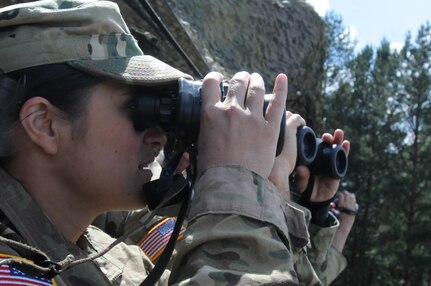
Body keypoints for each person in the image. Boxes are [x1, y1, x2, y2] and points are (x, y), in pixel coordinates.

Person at [0, 1, 350, 285]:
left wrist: (272, 195)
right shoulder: (14, 273)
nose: (159, 135)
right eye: (137, 107)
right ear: (44, 125)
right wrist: (235, 186)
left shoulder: (114, 256)